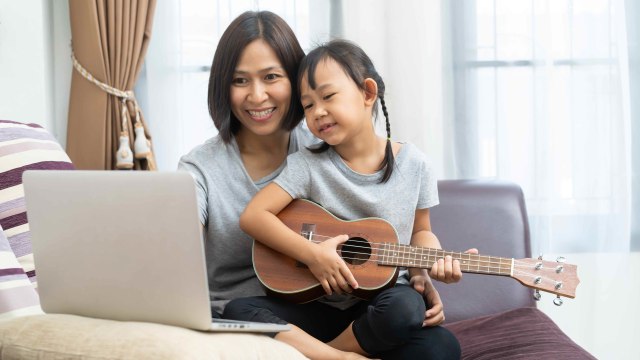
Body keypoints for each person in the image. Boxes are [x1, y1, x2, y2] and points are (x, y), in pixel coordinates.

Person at [227, 39, 477, 359]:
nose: (318, 112)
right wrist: (313, 255)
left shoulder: (415, 165)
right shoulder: (307, 165)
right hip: (316, 308)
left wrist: (428, 265)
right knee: (237, 310)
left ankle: (321, 354)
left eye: (328, 97)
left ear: (367, 93)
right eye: (307, 105)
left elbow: (421, 232)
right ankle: (339, 357)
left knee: (434, 338)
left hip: (378, 310)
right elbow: (253, 217)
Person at [177, 11, 315, 318]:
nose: (257, 95)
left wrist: (414, 274)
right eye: (240, 80)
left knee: (434, 343)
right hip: (234, 318)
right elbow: (177, 252)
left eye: (271, 77)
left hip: (313, 311)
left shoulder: (321, 152)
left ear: (296, 80)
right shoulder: (199, 168)